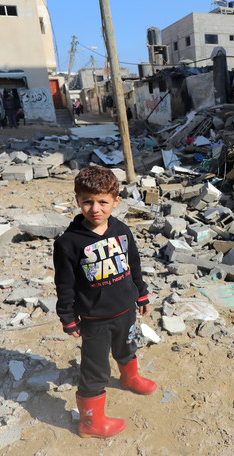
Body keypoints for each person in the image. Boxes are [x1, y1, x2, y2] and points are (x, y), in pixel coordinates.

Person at [53, 166, 156, 439]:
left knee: (127, 346)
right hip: (94, 319)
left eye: (102, 202)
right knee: (94, 369)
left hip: (126, 310)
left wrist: (141, 293)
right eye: (87, 201)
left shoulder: (121, 230)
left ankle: (129, 377)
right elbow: (64, 285)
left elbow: (133, 264)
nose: (95, 209)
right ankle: (90, 424)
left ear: (115, 201)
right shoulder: (68, 243)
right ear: (77, 200)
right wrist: (68, 317)